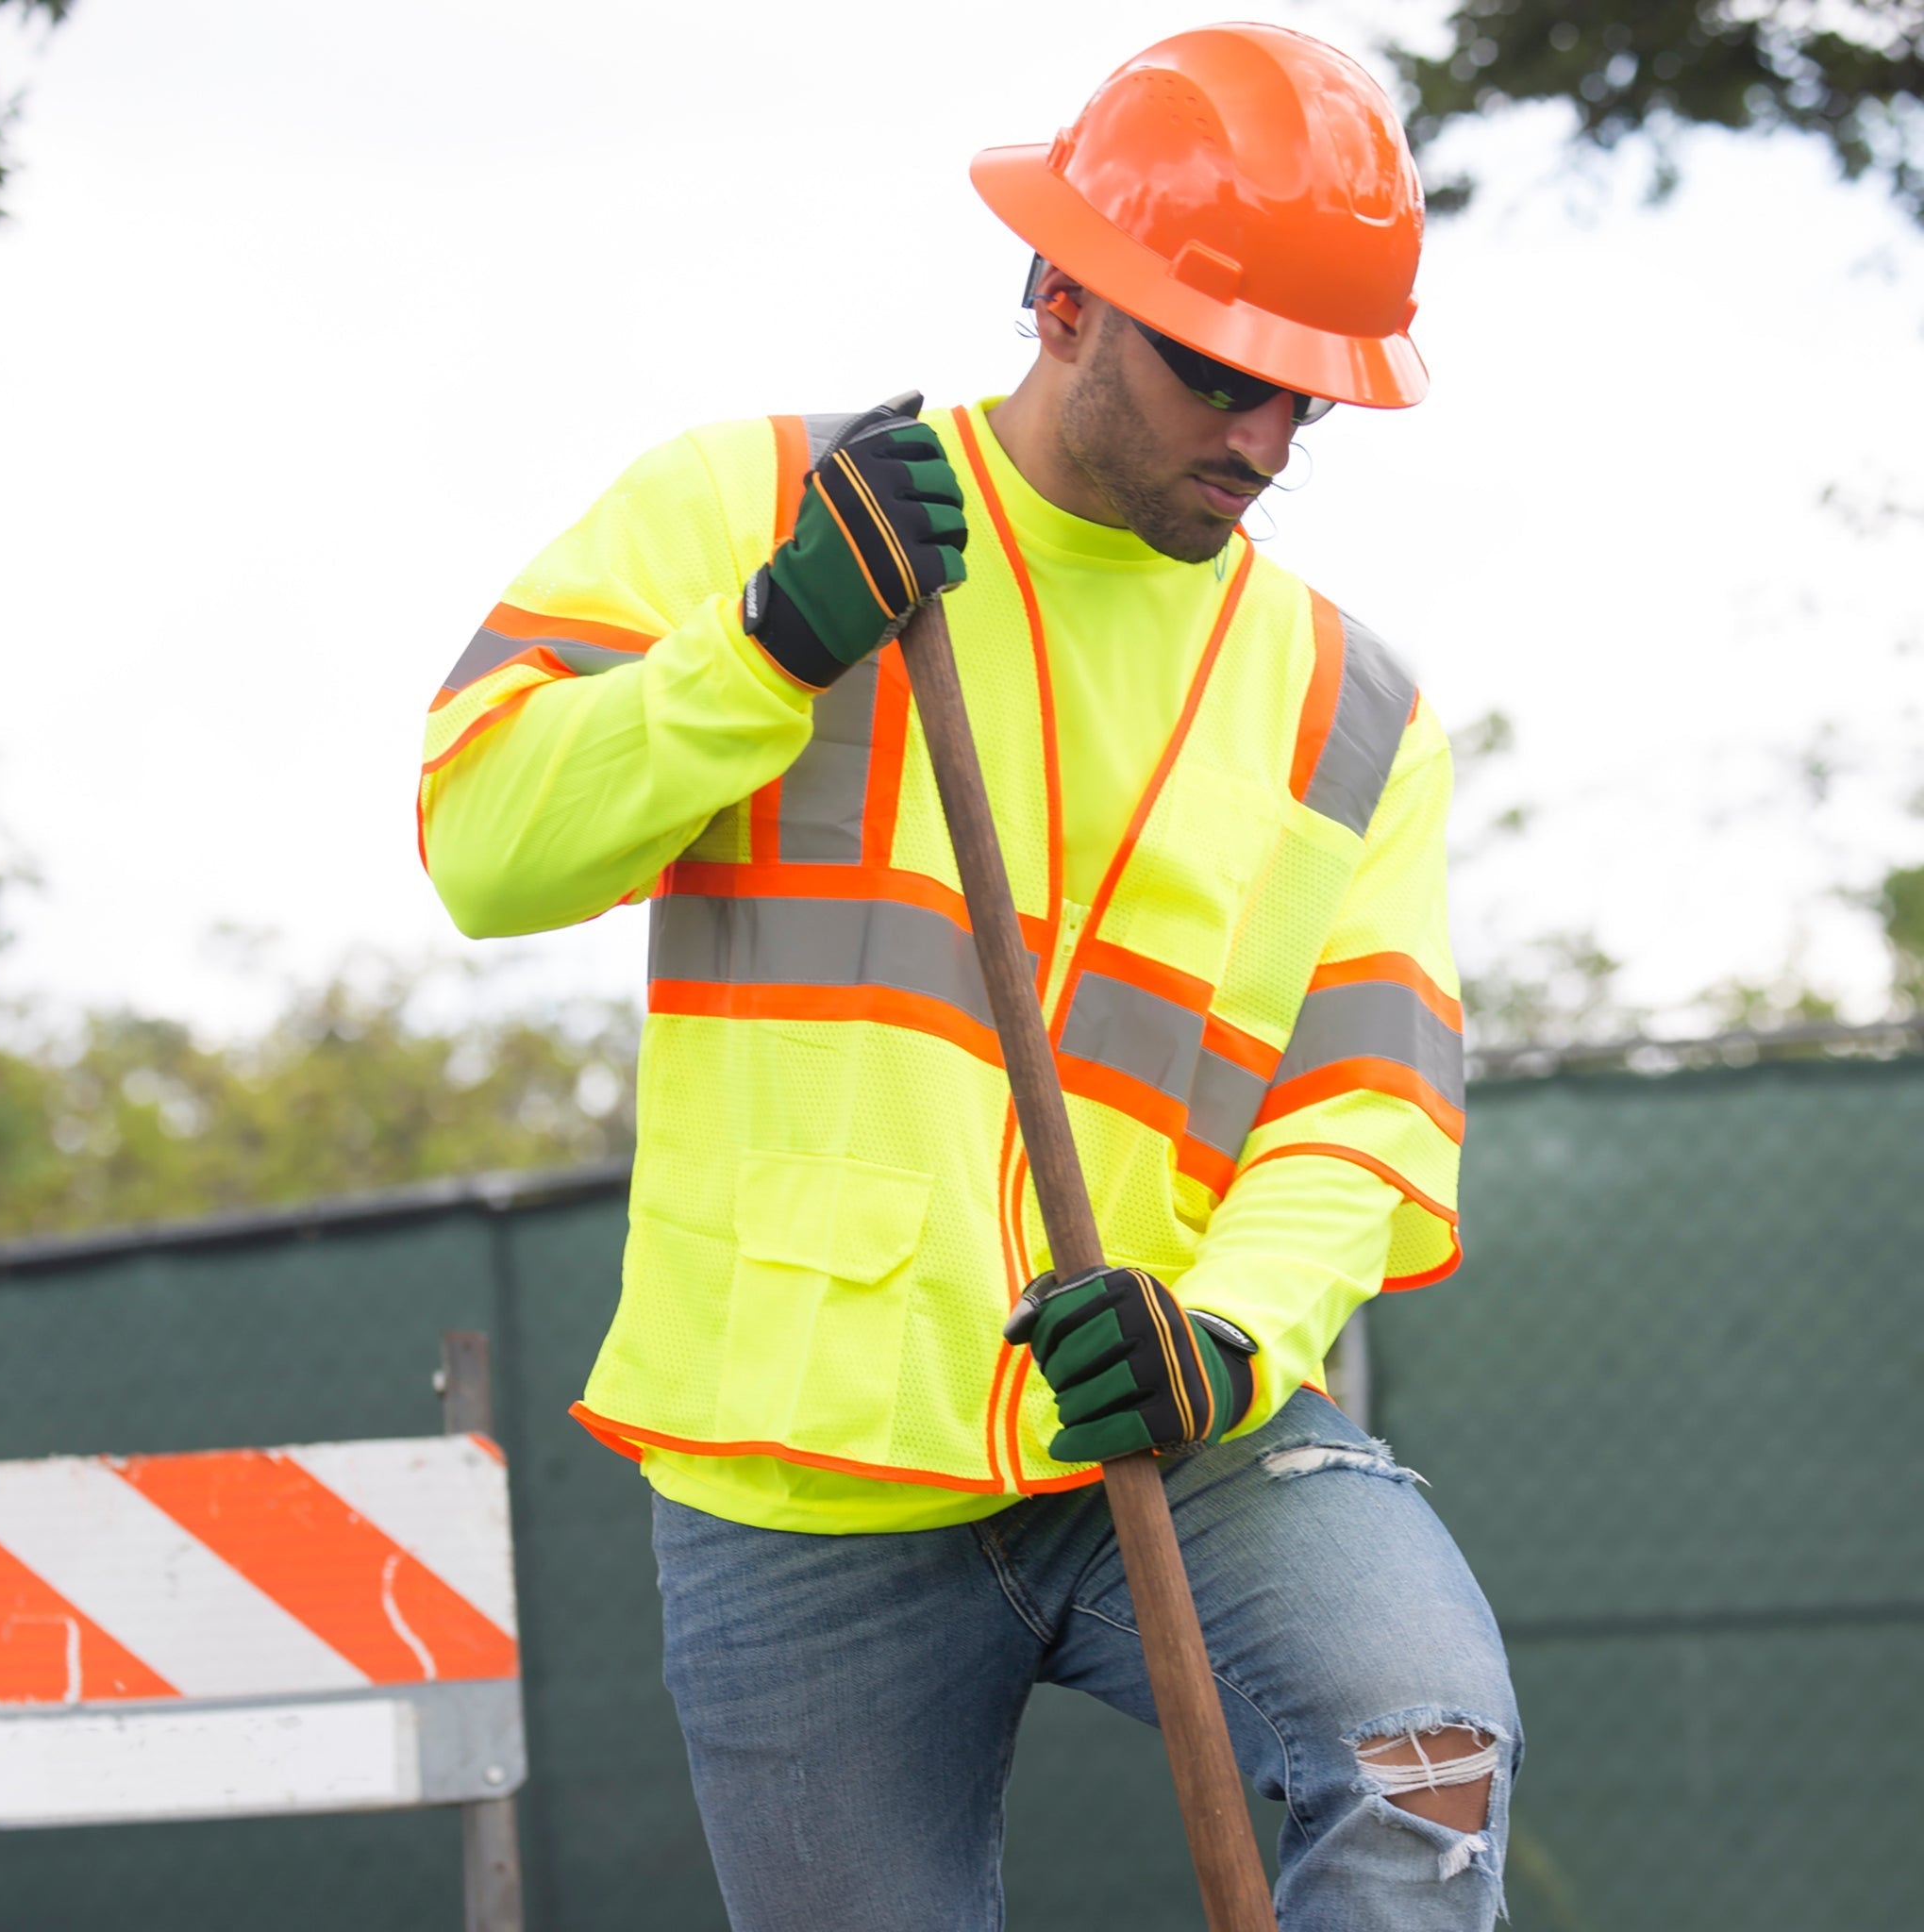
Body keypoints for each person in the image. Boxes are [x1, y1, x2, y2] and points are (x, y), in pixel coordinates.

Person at [419, 23, 1519, 1930]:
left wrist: (1225, 1334)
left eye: (1305, 404)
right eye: (1220, 375)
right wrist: (764, 648)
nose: (1263, 445)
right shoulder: (761, 504)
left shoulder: (1351, 707)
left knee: (1424, 1757)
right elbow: (486, 845)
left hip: (1174, 1426)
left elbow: (1368, 1112)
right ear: (1061, 296)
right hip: (800, 1482)